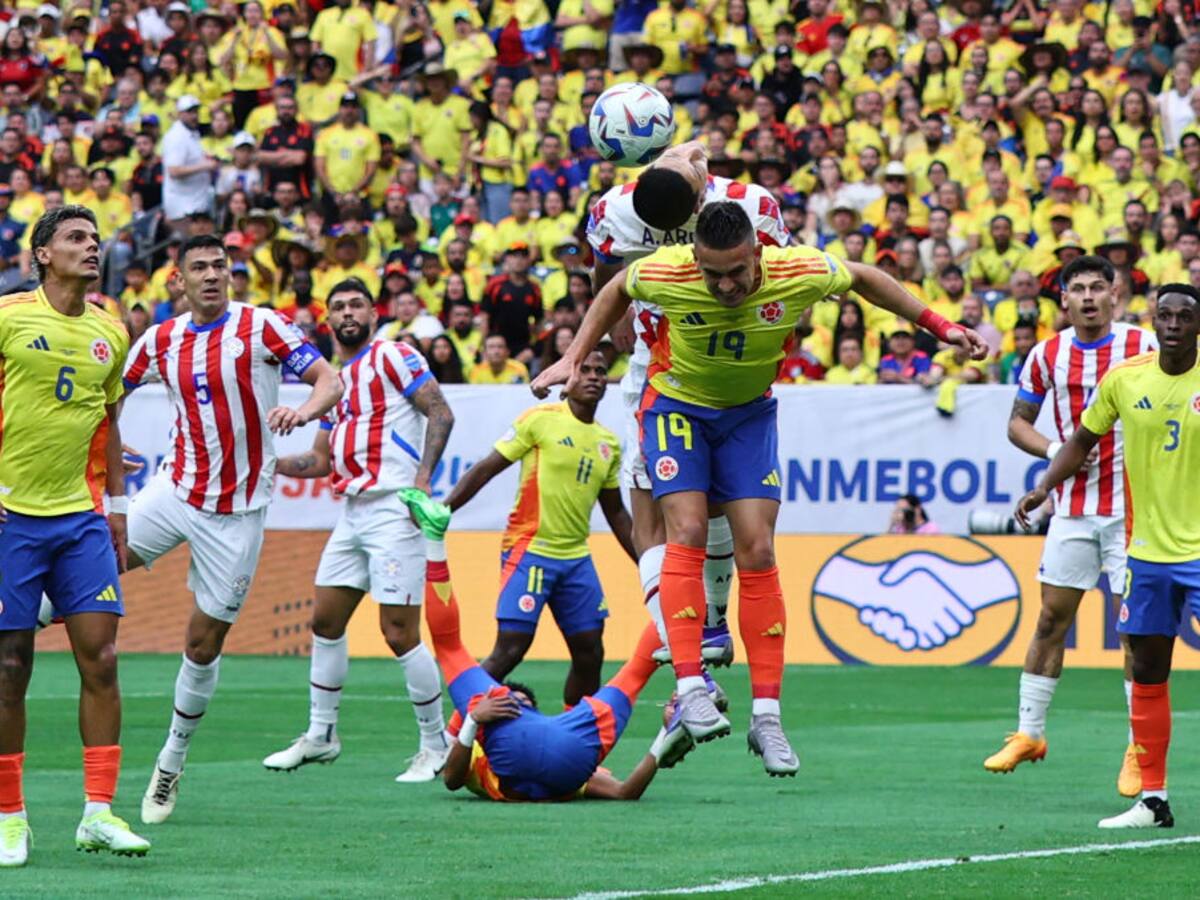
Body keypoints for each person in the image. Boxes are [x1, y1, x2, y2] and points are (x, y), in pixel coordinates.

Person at [534, 202, 987, 775]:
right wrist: (574, 357)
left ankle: (767, 718)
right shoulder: (668, 270)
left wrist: (941, 328)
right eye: (711, 273)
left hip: (748, 417)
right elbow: (617, 286)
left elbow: (869, 278)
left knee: (759, 549)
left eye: (736, 272)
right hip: (676, 408)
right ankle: (692, 688)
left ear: (758, 255)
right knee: (688, 530)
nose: (724, 285)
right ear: (694, 258)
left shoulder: (798, 269)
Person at [121, 235, 342, 825]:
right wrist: (106, 443)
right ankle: (26, 613)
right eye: (200, 268)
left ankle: (170, 761)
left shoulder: (262, 328)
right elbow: (104, 395)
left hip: (238, 514)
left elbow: (329, 382)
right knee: (95, 558)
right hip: (173, 491)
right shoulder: (161, 339)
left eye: (220, 266)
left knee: (201, 643)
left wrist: (303, 410)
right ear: (179, 280)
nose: (212, 276)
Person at [585, 140, 791, 679]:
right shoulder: (750, 203)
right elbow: (787, 274)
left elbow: (602, 277)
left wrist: (604, 331)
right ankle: (714, 626)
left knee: (654, 522)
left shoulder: (612, 209)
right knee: (717, 508)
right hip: (736, 362)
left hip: (662, 366)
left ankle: (689, 672)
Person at [1014, 283, 1200, 830]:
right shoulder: (1126, 379)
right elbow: (1081, 441)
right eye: (1163, 315)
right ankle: (1153, 799)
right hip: (1147, 555)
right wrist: (1045, 485)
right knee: (1147, 673)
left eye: (1183, 317)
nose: (1171, 324)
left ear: (1197, 326)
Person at [0, 207, 149, 866]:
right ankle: (9, 818)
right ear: (41, 254)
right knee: (9, 668)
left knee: (104, 658)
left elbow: (108, 420)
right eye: (75, 239)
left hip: (80, 517)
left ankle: (98, 813)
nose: (91, 248)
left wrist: (116, 506)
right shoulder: (8, 316)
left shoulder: (111, 332)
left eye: (95, 239)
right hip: (10, 516)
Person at [262, 279, 455, 783]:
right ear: (327, 321)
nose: (348, 313)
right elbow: (319, 460)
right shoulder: (335, 381)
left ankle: (436, 744)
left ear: (373, 313)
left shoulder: (393, 355)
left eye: (356, 305)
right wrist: (267, 465)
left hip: (394, 506)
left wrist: (420, 483)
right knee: (325, 621)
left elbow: (440, 411)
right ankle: (322, 735)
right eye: (338, 307)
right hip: (352, 510)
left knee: (398, 633)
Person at [985, 255, 1155, 798]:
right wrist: (1056, 451)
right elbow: (1017, 423)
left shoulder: (1144, 347)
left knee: (1135, 633)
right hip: (1073, 508)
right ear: (1064, 300)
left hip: (1136, 512)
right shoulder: (1047, 354)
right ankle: (1029, 734)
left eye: (1097, 288)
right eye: (1077, 288)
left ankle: (1139, 748)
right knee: (1049, 621)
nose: (1087, 297)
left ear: (1115, 294)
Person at [393, 516, 695, 801]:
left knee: (449, 648)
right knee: (636, 671)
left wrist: (472, 719)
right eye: (515, 702)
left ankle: (434, 541)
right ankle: (694, 576)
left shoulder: (486, 740)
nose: (518, 705)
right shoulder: (563, 759)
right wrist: (663, 736)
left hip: (556, 742)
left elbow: (452, 780)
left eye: (518, 703)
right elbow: (623, 792)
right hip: (573, 746)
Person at [413, 351, 635, 707]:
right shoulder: (540, 420)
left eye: (600, 371)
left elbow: (617, 514)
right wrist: (444, 508)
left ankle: (577, 744)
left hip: (576, 558)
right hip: (530, 550)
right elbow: (486, 468)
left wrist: (652, 566)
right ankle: (457, 735)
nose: (594, 377)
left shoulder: (606, 442)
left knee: (590, 652)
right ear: (567, 378)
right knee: (511, 648)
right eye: (584, 370)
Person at [162, 95, 217, 227]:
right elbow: (174, 170)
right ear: (180, 114)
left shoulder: (191, 133)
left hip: (196, 203)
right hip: (183, 208)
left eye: (196, 111)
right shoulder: (177, 136)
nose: (194, 116)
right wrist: (205, 166)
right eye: (189, 112)